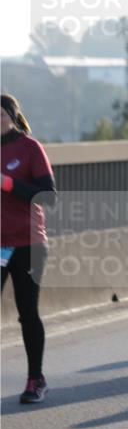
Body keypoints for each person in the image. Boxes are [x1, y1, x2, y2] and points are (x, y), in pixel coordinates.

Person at [1, 93, 57, 403]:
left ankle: (36, 379)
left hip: (28, 243)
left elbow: (48, 196)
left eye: (1, 114)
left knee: (27, 313)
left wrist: (7, 184)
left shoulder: (30, 148)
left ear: (12, 115)